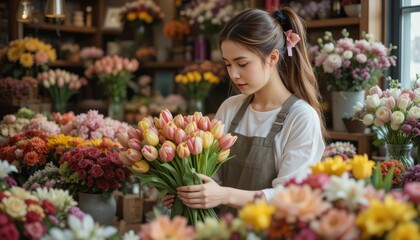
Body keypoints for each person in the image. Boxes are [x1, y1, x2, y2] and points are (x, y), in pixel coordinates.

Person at [162, 6, 326, 213]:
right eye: (228, 64)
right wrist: (188, 192)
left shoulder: (301, 117)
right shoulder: (230, 108)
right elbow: (212, 178)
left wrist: (224, 195)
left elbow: (290, 196)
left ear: (273, 58)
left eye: (242, 63)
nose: (234, 74)